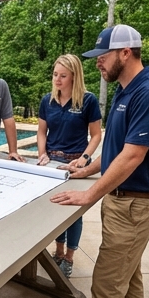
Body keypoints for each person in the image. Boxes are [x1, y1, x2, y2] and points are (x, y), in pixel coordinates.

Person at [51, 25, 149, 298]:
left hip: (136, 205)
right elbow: (116, 151)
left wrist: (89, 194)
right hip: (126, 203)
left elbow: (133, 156)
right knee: (129, 279)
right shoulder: (125, 91)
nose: (97, 61)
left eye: (103, 56)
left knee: (107, 288)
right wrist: (86, 169)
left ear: (125, 53)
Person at [37, 53, 103, 277]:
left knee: (74, 212)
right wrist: (41, 154)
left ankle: (69, 258)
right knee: (56, 207)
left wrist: (85, 158)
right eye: (55, 74)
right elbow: (41, 131)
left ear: (74, 77)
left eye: (63, 76)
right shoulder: (47, 100)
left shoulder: (88, 100)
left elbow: (95, 136)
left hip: (76, 163)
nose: (57, 79)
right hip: (52, 163)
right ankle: (58, 251)